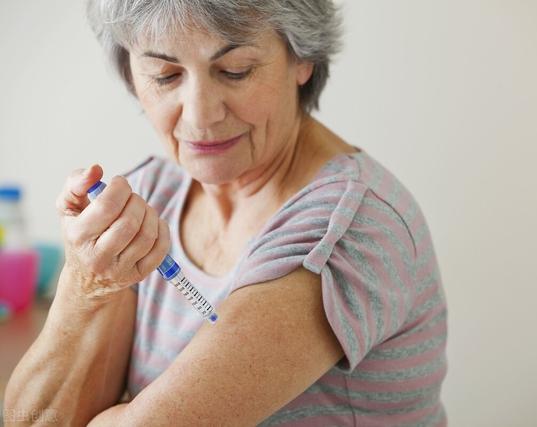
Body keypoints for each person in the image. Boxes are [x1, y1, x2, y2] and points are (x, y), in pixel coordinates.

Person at [4, 1, 448, 425]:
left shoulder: (344, 233)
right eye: (165, 74)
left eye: (236, 71)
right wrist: (86, 284)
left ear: (302, 59)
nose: (201, 115)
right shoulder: (152, 194)